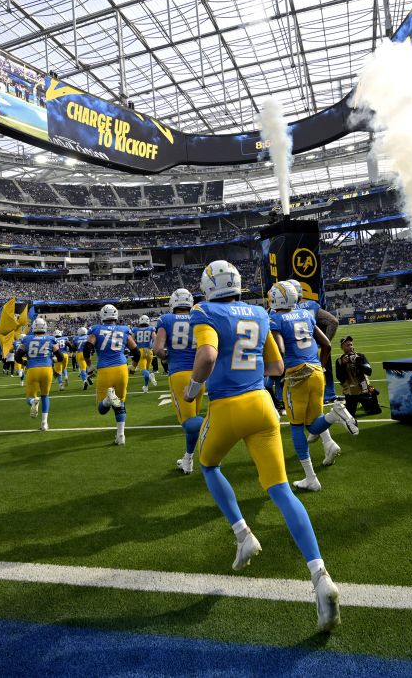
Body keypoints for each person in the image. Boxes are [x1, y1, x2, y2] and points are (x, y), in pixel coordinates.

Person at [185, 260, 340, 632]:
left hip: (226, 406)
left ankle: (243, 535)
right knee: (282, 491)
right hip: (263, 407)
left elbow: (206, 356)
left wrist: (194, 388)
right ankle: (321, 577)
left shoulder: (204, 310)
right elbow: (274, 365)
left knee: (208, 466)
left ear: (209, 286)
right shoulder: (257, 311)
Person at [268, 281, 358, 492]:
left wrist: (278, 371)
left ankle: (310, 477)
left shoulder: (276, 318)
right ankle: (335, 415)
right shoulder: (306, 314)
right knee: (312, 424)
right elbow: (326, 343)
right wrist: (320, 365)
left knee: (297, 426)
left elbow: (280, 349)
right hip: (316, 371)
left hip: (296, 375)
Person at [153, 288, 203, 474]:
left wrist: (167, 355)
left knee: (188, 422)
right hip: (200, 373)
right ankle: (188, 459)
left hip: (180, 374)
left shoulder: (166, 319)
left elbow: (158, 349)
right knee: (192, 424)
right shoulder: (199, 317)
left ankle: (220, 422)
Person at [84, 304, 138, 446]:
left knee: (102, 409)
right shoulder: (124, 329)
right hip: (121, 369)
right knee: (120, 404)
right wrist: (134, 366)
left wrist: (89, 366)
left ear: (102, 316)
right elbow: (136, 352)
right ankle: (121, 436)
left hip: (105, 370)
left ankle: (108, 399)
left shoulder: (96, 329)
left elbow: (87, 348)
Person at [284, 279, 339, 403]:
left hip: (295, 354)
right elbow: (333, 322)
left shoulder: (283, 311)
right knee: (322, 371)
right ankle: (328, 395)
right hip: (315, 350)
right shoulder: (310, 306)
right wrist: (322, 343)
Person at [22, 317, 57, 431]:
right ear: (45, 327)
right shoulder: (51, 339)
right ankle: (44, 423)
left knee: (30, 397)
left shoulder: (27, 339)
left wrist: (25, 362)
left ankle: (33, 402)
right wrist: (52, 359)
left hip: (32, 369)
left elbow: (18, 356)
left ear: (33, 328)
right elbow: (60, 356)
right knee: (45, 396)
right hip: (47, 369)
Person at [335, 336, 382, 417]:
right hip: (350, 392)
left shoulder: (360, 357)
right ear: (342, 347)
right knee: (350, 415)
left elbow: (369, 372)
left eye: (351, 345)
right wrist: (343, 365)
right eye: (347, 345)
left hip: (363, 390)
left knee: (376, 411)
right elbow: (340, 378)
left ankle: (373, 393)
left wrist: (358, 364)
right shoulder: (339, 361)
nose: (350, 347)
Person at [133, 315, 157, 393]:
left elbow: (132, 340)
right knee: (146, 370)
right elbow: (155, 338)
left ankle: (150, 376)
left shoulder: (135, 329)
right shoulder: (151, 328)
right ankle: (145, 386)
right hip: (149, 351)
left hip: (140, 351)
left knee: (143, 370)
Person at [73, 326, 92, 391]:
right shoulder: (88, 337)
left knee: (82, 369)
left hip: (80, 353)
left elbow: (73, 347)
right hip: (87, 353)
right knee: (88, 366)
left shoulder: (76, 338)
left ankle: (84, 381)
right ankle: (89, 377)